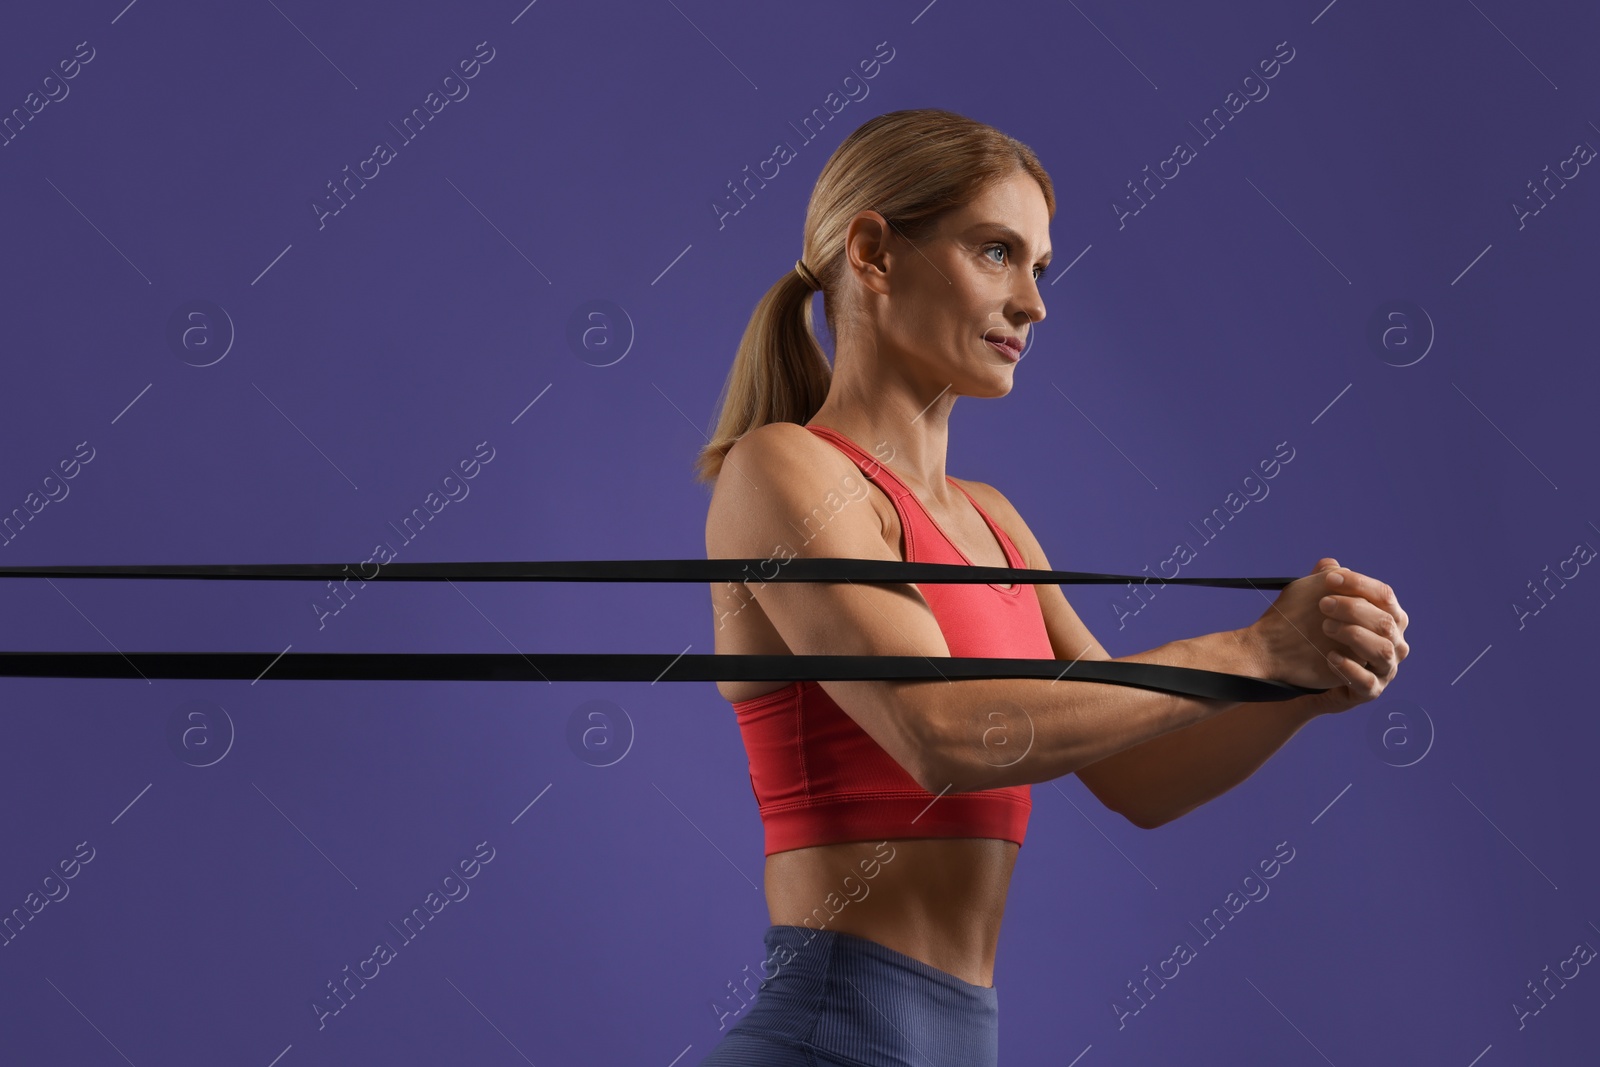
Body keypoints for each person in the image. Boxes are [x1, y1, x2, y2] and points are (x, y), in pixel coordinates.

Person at [694, 108, 1409, 1067]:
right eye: (997, 252)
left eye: (1040, 266)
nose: (1034, 302)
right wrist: (1243, 651)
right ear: (871, 251)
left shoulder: (994, 523)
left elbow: (1135, 777)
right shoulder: (782, 469)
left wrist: (1295, 687)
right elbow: (940, 734)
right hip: (830, 1036)